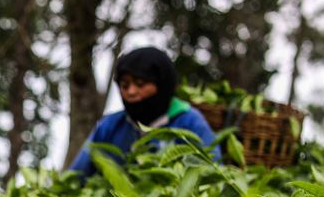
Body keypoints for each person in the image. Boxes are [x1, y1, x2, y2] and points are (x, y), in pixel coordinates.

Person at [68, 46, 219, 177]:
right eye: (125, 85)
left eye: (140, 84)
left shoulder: (189, 121)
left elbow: (213, 170)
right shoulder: (110, 126)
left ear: (162, 84)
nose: (131, 92)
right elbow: (77, 175)